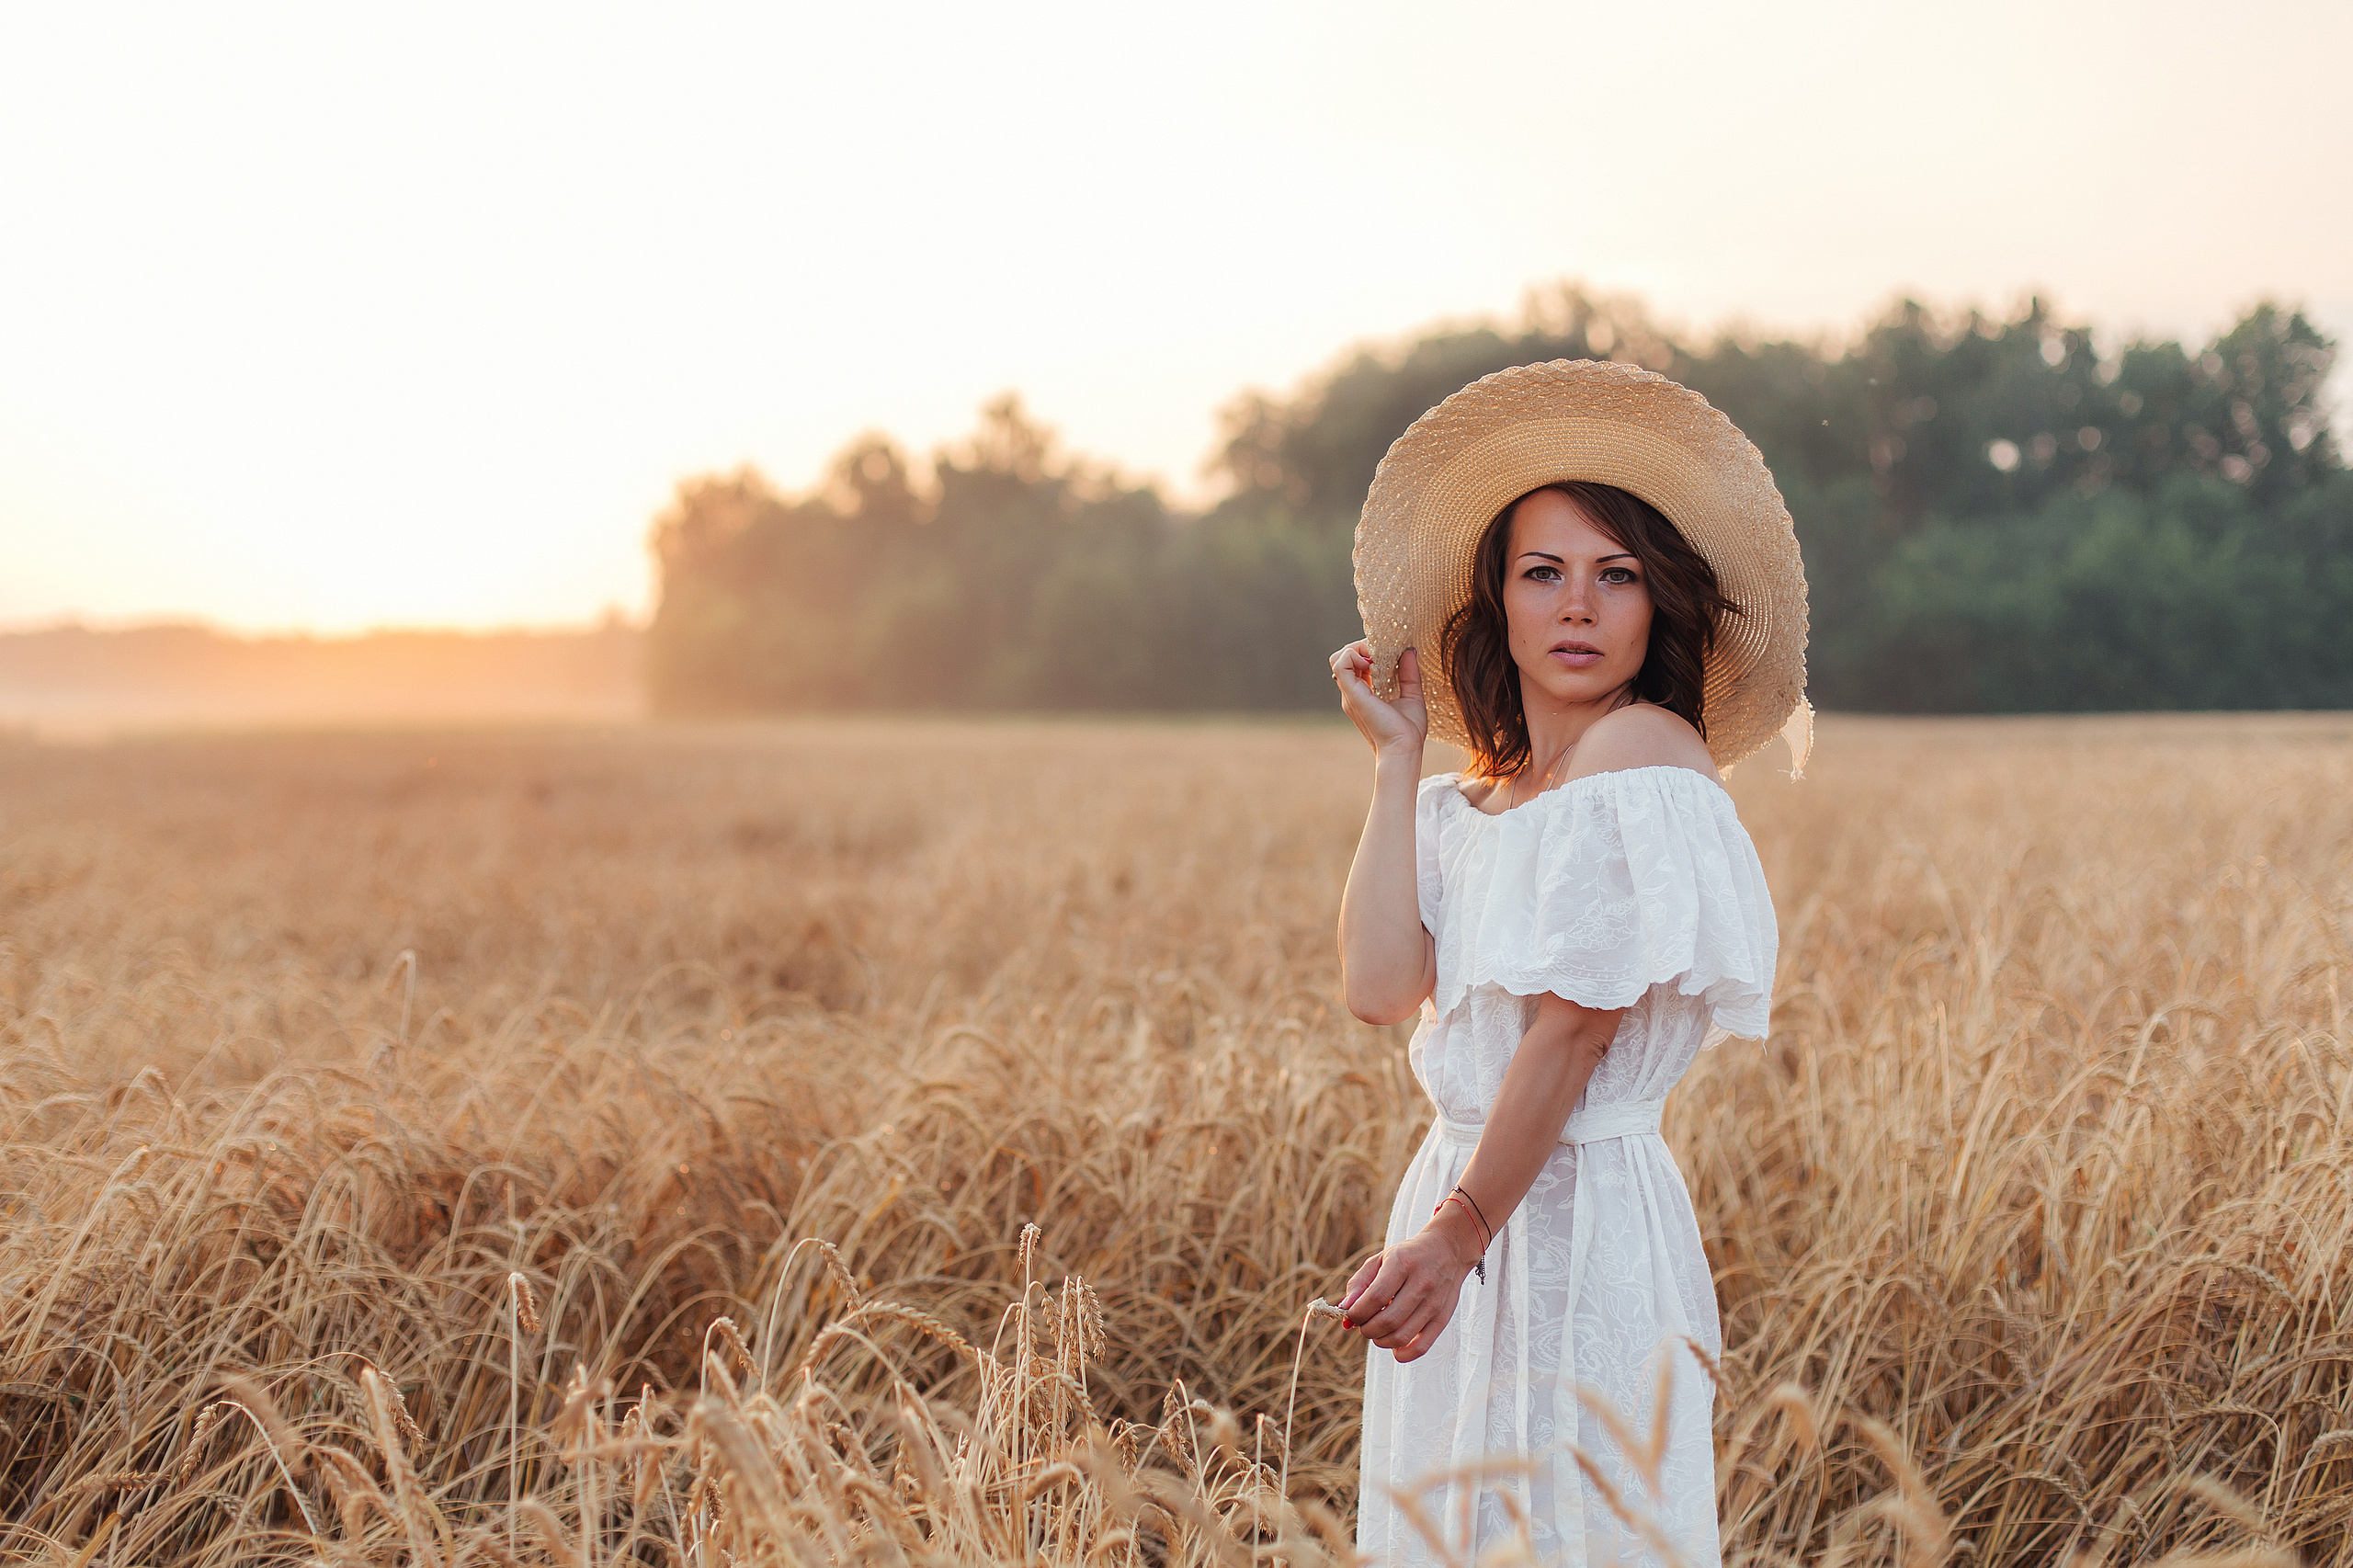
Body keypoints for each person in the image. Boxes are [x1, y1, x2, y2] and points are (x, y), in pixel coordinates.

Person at [1328, 359, 1811, 1566]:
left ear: (1659, 606)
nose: (1579, 606)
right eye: (1543, 573)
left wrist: (1453, 1235)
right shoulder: (1463, 802)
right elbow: (1382, 987)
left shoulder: (1645, 752)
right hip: (1459, 1197)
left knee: (1582, 1527)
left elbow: (1575, 1029)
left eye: (1617, 575)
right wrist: (1395, 765)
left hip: (1576, 1210)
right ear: (1497, 602)